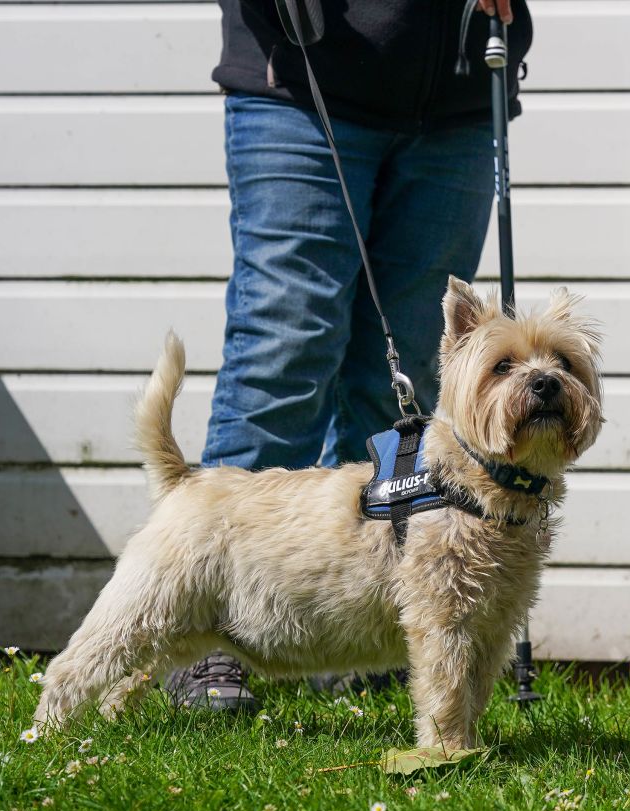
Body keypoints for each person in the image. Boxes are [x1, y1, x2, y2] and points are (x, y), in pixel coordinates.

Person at [164, 0, 533, 712]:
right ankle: (212, 632)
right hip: (304, 72)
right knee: (285, 349)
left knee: (398, 387)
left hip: (458, 86)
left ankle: (376, 636)